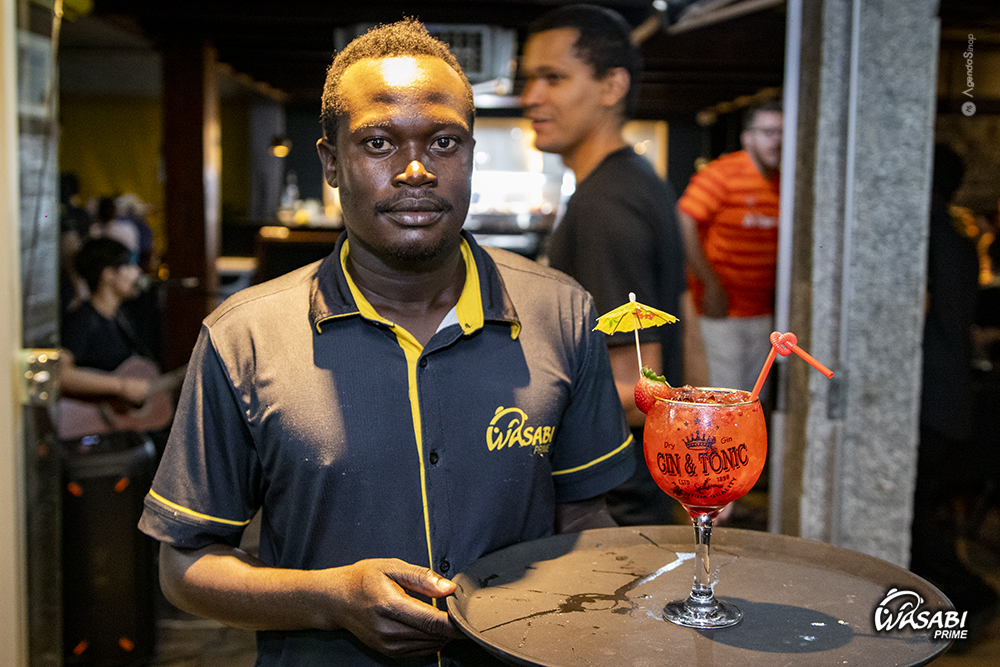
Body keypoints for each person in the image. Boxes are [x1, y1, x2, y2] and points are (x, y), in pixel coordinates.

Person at [138, 18, 633, 666]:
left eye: (444, 142)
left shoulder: (562, 313)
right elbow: (183, 566)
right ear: (331, 163)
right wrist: (330, 599)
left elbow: (585, 523)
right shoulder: (244, 338)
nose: (416, 170)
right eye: (378, 143)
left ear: (471, 155)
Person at [520, 5, 694, 525]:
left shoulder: (605, 205)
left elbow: (638, 391)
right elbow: (687, 320)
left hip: (612, 500)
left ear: (612, 86)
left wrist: (500, 404)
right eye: (529, 79)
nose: (531, 97)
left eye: (553, 78)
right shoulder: (637, 181)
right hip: (641, 488)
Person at [910, 144, 999, 647]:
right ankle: (953, 608)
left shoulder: (925, 232)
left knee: (914, 510)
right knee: (920, 504)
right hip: (947, 390)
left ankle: (969, 598)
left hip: (929, 391)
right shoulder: (955, 233)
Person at [677, 100, 783, 394]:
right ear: (747, 137)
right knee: (724, 397)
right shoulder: (723, 173)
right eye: (769, 132)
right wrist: (710, 284)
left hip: (762, 311)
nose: (777, 141)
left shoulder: (784, 181)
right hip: (721, 311)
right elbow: (683, 220)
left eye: (782, 133)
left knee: (753, 399)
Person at [60, 237, 151, 407]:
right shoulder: (82, 319)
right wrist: (121, 386)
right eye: (129, 266)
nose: (137, 272)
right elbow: (61, 374)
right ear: (108, 274)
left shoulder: (121, 317)